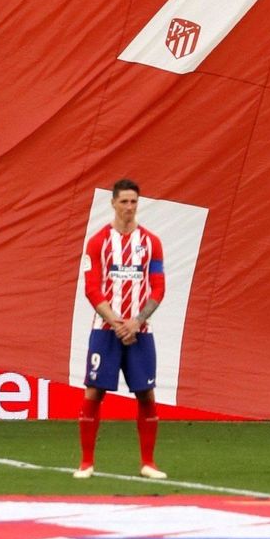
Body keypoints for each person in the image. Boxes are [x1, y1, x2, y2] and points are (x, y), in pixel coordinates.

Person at [75, 176, 167, 481]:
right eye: (124, 201)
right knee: (94, 390)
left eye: (133, 202)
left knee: (146, 393)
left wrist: (136, 322)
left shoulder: (151, 243)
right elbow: (91, 289)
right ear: (113, 203)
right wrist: (116, 322)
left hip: (140, 331)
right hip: (106, 331)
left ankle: (148, 463)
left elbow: (158, 288)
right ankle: (86, 463)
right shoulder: (98, 242)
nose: (129, 207)